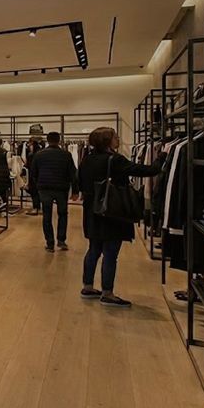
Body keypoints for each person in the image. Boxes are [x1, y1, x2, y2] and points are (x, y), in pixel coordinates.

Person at [79, 127, 162, 308]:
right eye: (115, 136)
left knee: (93, 249)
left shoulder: (87, 159)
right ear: (107, 141)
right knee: (110, 253)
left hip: (93, 210)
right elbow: (145, 170)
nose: (118, 139)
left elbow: (80, 181)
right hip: (112, 211)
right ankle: (107, 293)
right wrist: (161, 158)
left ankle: (88, 286)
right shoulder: (115, 160)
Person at [30, 132, 78, 252]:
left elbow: (33, 173)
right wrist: (75, 191)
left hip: (44, 188)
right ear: (59, 140)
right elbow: (73, 174)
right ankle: (61, 240)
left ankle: (50, 243)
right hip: (61, 188)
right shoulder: (66, 155)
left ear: (47, 140)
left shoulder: (39, 154)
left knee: (47, 216)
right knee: (63, 214)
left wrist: (38, 186)